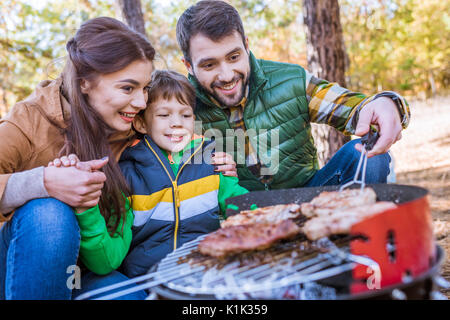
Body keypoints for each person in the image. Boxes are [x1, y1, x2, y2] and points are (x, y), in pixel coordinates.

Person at [0, 16, 237, 300]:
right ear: (85, 82)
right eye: (128, 88)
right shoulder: (27, 123)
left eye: (145, 88)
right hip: (26, 264)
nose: (140, 102)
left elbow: (175, 135)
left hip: (84, 272)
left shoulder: (132, 120)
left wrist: (210, 160)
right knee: (50, 214)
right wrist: (43, 182)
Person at [175, 0, 411, 191]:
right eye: (209, 65)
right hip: (233, 214)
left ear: (246, 46)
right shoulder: (176, 106)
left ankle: (364, 243)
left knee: (367, 155)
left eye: (234, 57)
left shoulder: (291, 81)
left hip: (308, 198)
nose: (226, 75)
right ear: (188, 65)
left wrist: (388, 104)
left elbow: (355, 109)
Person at [118, 69, 249, 278]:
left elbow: (242, 205)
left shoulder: (211, 161)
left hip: (208, 271)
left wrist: (274, 217)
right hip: (147, 278)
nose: (177, 123)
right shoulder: (128, 173)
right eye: (163, 115)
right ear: (141, 123)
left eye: (185, 115)